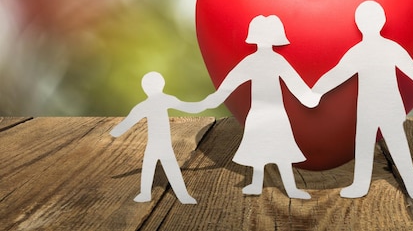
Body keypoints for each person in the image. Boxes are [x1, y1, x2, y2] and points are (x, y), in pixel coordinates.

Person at [312, 0, 413, 198]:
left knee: (389, 143)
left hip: (383, 107)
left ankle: (409, 184)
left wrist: (314, 92)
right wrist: (316, 92)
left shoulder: (376, 50)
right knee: (369, 144)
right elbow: (338, 74)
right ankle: (364, 185)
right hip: (369, 108)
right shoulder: (379, 49)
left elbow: (336, 74)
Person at [201, 15, 319, 199]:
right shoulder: (260, 61)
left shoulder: (268, 61)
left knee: (280, 149)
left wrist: (308, 97)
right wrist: (308, 98)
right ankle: (260, 184)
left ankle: (288, 187)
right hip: (261, 113)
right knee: (260, 149)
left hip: (273, 113)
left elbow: (293, 82)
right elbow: (231, 83)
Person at [110, 71, 205, 204]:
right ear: (161, 84)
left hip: (159, 143)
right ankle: (175, 195)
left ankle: (176, 195)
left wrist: (113, 133)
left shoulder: (147, 104)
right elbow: (189, 107)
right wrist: (205, 104)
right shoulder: (162, 100)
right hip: (157, 143)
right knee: (156, 166)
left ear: (145, 87)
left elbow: (128, 122)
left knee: (156, 166)